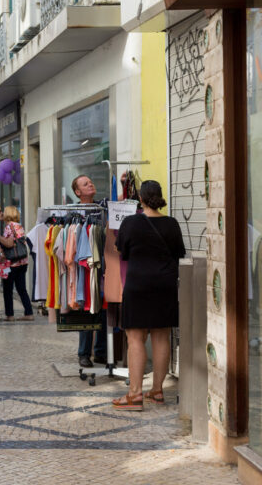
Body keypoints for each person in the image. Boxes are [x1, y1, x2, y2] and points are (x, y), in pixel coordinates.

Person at [112, 180, 185, 411]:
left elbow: (121, 251)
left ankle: (134, 395)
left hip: (138, 285)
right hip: (165, 285)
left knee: (135, 339)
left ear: (141, 199)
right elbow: (179, 253)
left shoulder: (130, 223)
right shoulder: (171, 224)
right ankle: (157, 391)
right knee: (162, 336)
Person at [71, 174, 107, 367]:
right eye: (86, 184)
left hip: (105, 265)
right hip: (83, 268)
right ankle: (84, 353)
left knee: (104, 307)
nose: (90, 184)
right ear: (78, 192)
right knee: (87, 307)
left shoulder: (103, 207)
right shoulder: (72, 213)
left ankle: (101, 351)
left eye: (91, 181)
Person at [0, 206, 34, 321]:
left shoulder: (9, 227)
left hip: (12, 262)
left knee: (8, 289)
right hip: (23, 262)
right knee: (22, 289)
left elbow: (8, 243)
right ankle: (29, 313)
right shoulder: (19, 226)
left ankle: (10, 315)